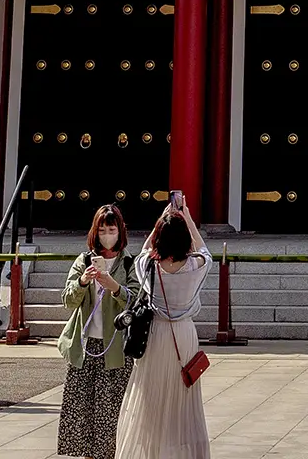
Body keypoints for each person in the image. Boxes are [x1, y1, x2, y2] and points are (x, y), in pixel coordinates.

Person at [119, 189, 212, 459]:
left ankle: (151, 451)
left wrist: (162, 219)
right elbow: (205, 250)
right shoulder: (196, 265)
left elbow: (145, 250)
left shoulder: (149, 265)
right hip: (184, 334)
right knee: (183, 399)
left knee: (150, 395)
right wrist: (187, 216)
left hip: (156, 333)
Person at [59, 200, 135, 459]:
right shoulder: (84, 260)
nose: (107, 236)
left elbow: (137, 300)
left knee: (112, 408)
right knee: (82, 410)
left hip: (116, 347)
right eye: (102, 231)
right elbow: (68, 300)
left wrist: (115, 287)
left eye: (111, 231)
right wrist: (83, 281)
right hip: (85, 344)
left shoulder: (128, 263)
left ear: (120, 232)